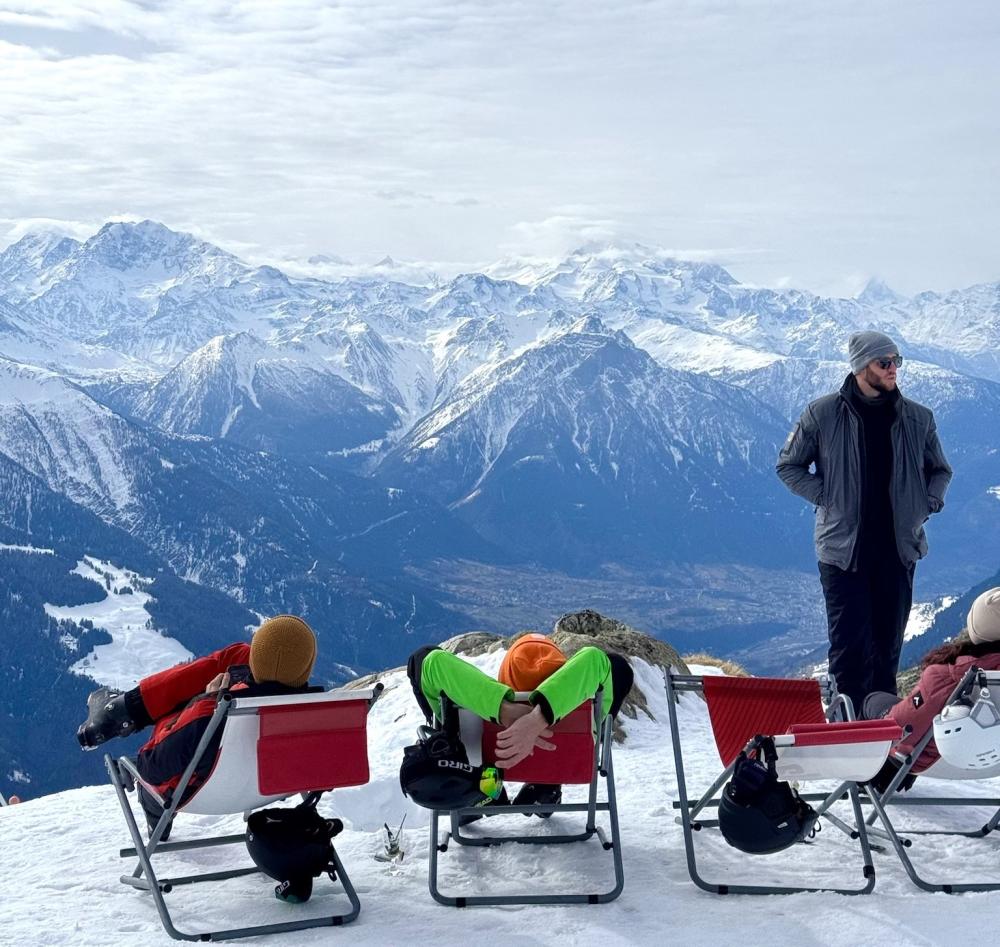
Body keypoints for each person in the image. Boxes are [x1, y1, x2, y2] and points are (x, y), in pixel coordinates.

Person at [776, 330, 952, 714]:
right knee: (849, 652)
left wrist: (927, 503)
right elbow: (789, 466)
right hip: (843, 553)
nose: (893, 369)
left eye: (896, 361)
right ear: (861, 367)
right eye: (884, 362)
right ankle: (846, 730)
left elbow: (940, 470)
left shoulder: (918, 418)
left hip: (897, 552)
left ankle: (883, 734)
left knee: (887, 651)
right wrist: (827, 497)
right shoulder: (822, 414)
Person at [77, 615, 318, 836]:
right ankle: (127, 708)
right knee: (237, 656)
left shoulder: (209, 717)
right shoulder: (319, 713)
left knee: (213, 675)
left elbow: (151, 767)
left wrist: (206, 700)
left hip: (193, 787)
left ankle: (126, 709)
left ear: (256, 663)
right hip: (267, 784)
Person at [406, 633, 633, 813]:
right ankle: (546, 786)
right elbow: (596, 659)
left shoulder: (469, 711)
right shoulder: (588, 712)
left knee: (423, 658)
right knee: (617, 667)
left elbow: (430, 661)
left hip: (474, 765)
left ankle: (484, 790)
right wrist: (541, 716)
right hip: (569, 761)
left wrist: (502, 708)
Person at [863, 588, 1000, 782]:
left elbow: (903, 727)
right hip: (995, 765)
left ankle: (868, 777)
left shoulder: (947, 675)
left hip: (940, 761)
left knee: (872, 701)